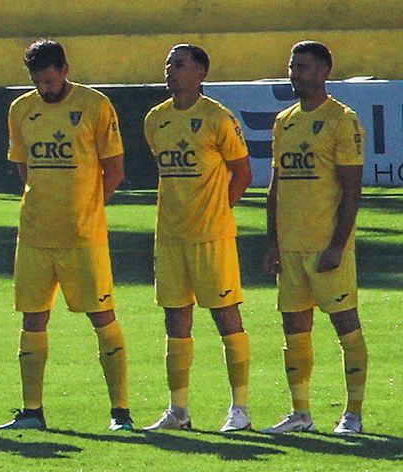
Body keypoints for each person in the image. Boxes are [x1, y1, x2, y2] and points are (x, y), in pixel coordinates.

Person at [0, 40, 133, 432]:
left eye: (50, 80)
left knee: (102, 317)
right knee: (33, 319)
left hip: (82, 237)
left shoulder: (95, 106)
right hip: (35, 236)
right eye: (39, 82)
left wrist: (89, 208)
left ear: (65, 69)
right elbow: (24, 168)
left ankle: (120, 412)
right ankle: (31, 412)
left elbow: (116, 169)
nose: (45, 88)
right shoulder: (21, 110)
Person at [143, 45, 253, 432]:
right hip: (170, 237)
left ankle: (239, 409)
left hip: (211, 237)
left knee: (226, 316)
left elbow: (242, 173)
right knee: (176, 320)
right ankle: (179, 410)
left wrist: (217, 211)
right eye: (169, 63)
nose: (170, 70)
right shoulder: (155, 119)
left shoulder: (217, 117)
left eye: (179, 64)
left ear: (200, 74)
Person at [263, 41, 367, 435]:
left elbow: (352, 191)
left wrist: (338, 245)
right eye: (292, 66)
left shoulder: (342, 120)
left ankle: (353, 414)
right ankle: (301, 413)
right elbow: (277, 186)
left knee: (346, 326)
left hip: (326, 248)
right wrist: (272, 242)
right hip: (290, 249)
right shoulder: (284, 121)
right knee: (294, 329)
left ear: (323, 71)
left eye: (302, 67)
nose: (294, 73)